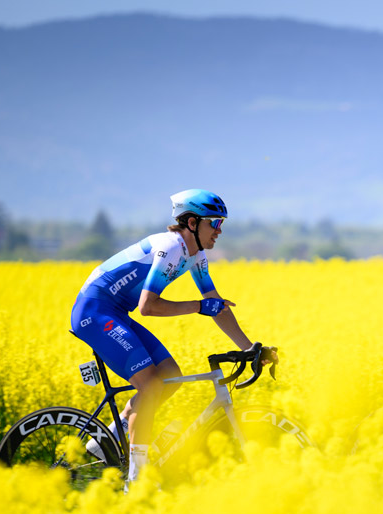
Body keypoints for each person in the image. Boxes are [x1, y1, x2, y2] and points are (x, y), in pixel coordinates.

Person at [71, 189, 267, 485]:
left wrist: (250, 348)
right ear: (191, 223)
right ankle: (136, 483)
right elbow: (147, 307)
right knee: (150, 386)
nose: (219, 230)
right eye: (214, 223)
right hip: (94, 311)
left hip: (114, 312)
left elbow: (215, 303)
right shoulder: (171, 248)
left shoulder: (196, 255)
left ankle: (110, 436)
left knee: (169, 375)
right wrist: (199, 307)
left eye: (221, 224)